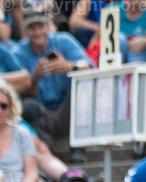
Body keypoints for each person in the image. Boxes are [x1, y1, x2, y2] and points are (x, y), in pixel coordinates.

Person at [15, 9, 93, 156]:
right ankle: (46, 148)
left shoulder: (63, 40)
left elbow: (89, 66)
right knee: (27, 106)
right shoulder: (18, 53)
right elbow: (24, 94)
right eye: (32, 28)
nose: (37, 32)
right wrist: (35, 77)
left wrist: (69, 66)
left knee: (83, 87)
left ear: (48, 25)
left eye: (40, 26)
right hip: (42, 112)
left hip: (67, 107)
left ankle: (79, 145)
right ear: (25, 30)